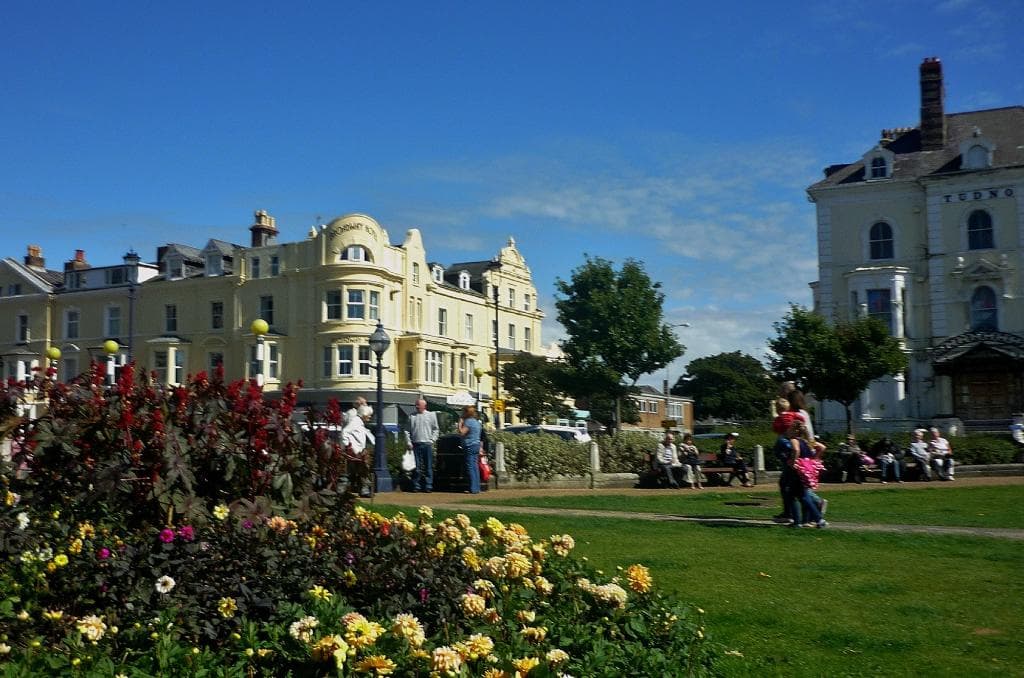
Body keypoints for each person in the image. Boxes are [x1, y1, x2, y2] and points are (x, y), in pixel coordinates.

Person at [789, 421, 828, 528]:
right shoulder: (807, 441)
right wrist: (815, 458)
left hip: (799, 470)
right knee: (802, 496)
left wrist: (793, 462)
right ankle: (816, 519)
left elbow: (796, 450)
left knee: (798, 496)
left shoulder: (794, 440)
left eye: (790, 429)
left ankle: (814, 520)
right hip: (808, 469)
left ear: (795, 430)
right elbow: (822, 447)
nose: (788, 431)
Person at [404, 398, 440, 493]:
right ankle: (416, 485)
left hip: (427, 443)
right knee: (416, 466)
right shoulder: (412, 416)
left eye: (418, 405)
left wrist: (432, 440)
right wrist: (408, 441)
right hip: (415, 443)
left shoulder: (431, 415)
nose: (416, 406)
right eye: (416, 405)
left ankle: (428, 486)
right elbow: (407, 430)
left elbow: (436, 429)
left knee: (428, 466)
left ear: (424, 406)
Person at [458, 405, 482, 494]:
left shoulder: (468, 422)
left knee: (470, 466)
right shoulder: (476, 422)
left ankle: (473, 488)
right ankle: (477, 487)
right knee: (475, 466)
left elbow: (462, 432)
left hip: (469, 445)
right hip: (476, 444)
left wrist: (460, 424)